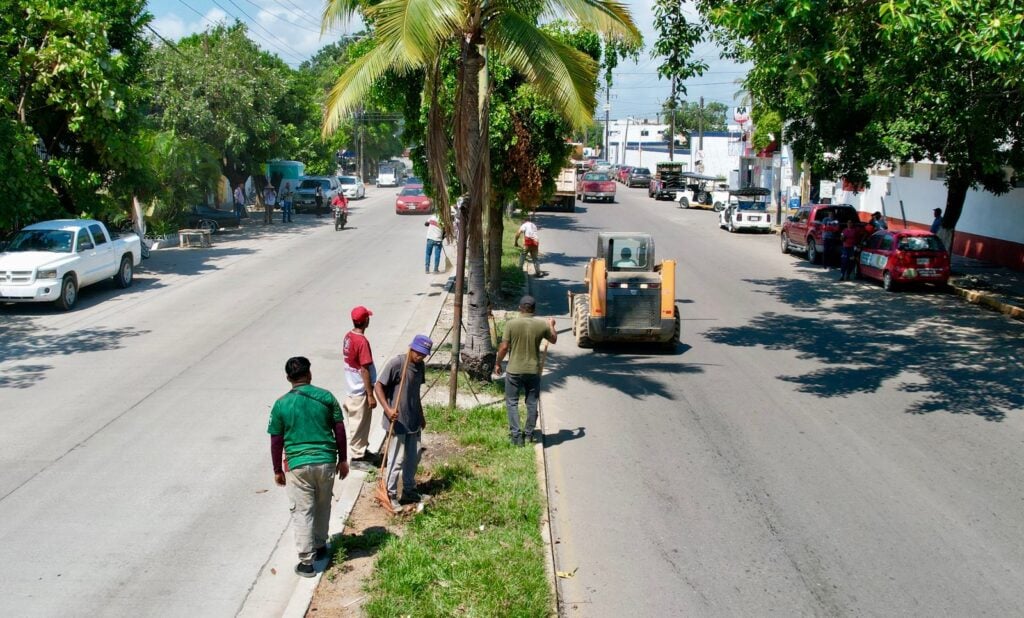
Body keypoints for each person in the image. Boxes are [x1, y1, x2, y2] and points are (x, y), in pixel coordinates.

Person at [267, 356, 349, 578]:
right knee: (323, 505)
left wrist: (277, 470)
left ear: (288, 378)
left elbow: (276, 440)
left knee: (303, 511)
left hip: (298, 465)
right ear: (309, 374)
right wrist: (343, 459)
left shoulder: (281, 404)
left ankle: (306, 563)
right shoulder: (326, 397)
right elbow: (339, 430)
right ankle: (321, 546)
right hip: (326, 461)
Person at [374, 335, 433, 511]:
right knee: (396, 459)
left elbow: (415, 392)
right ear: (412, 348)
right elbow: (378, 386)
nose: (421, 357)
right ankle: (390, 494)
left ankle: (409, 489)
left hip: (413, 418)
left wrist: (421, 415)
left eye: (424, 354)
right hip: (397, 421)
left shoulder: (420, 366)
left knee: (413, 456)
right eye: (419, 353)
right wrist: (387, 409)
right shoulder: (398, 364)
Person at [493, 296, 557, 446]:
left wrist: (497, 362)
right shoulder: (542, 325)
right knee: (531, 402)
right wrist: (552, 325)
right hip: (533, 371)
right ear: (534, 309)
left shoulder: (511, 324)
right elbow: (553, 339)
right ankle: (528, 434)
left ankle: (516, 437)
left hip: (514, 370)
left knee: (512, 402)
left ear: (520, 308)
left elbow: (503, 347)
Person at [343, 306, 378, 471]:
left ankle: (363, 450)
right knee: (358, 423)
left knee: (363, 423)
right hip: (359, 390)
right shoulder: (361, 341)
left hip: (351, 386)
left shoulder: (349, 336)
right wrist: (370, 394)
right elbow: (364, 369)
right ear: (365, 321)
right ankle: (357, 457)